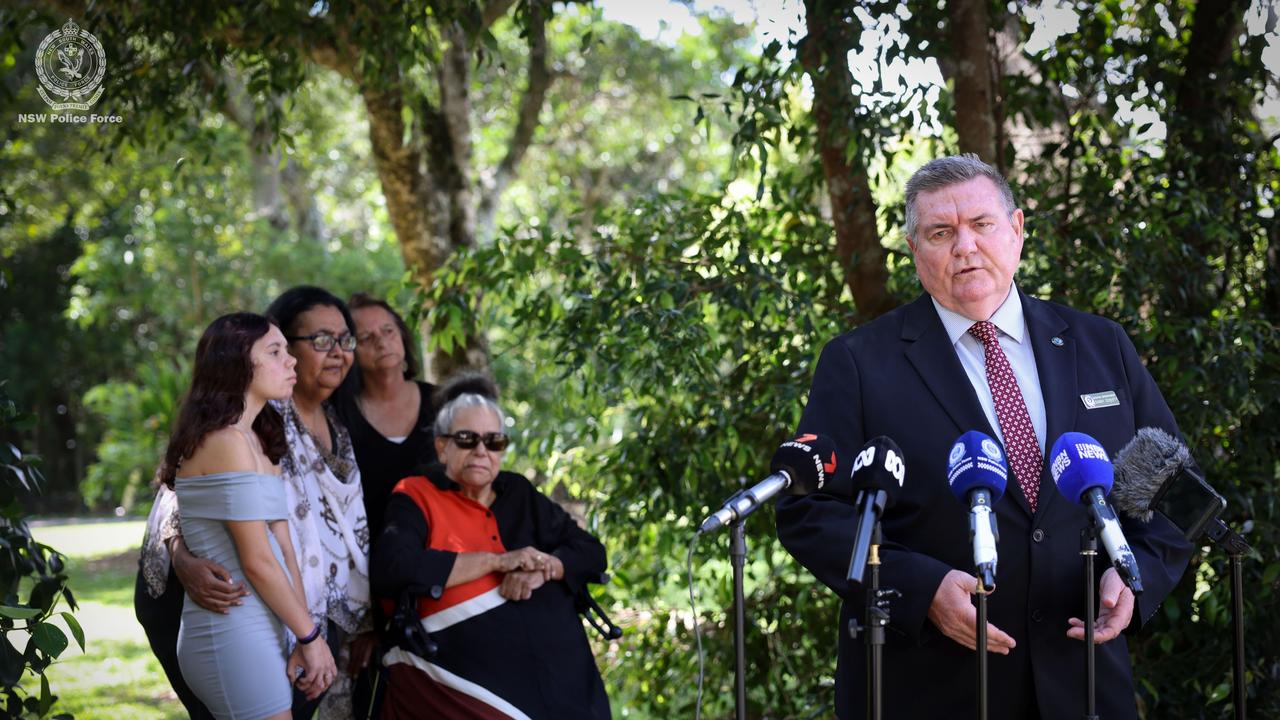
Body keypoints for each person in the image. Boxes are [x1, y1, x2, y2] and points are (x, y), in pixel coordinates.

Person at [775, 155, 1194, 720]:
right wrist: (920, 591)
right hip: (928, 688)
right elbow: (810, 511)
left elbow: (1172, 489)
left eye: (982, 224)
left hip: (1085, 684)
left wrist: (1135, 575)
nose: (964, 246)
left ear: (1017, 229)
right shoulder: (858, 363)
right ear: (914, 248)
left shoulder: (1103, 345)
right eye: (941, 232)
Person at [370, 376, 611, 719]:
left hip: (561, 681)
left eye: (493, 441)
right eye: (467, 439)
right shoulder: (416, 493)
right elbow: (393, 569)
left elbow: (589, 551)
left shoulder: (518, 492)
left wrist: (542, 571)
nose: (481, 451)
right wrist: (496, 562)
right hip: (464, 689)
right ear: (442, 447)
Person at [159, 312, 336, 720]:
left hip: (266, 626)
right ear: (235, 363)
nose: (291, 361)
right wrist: (312, 638)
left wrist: (300, 631)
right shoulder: (225, 442)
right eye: (275, 352)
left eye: (288, 351)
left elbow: (284, 545)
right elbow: (257, 560)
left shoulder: (259, 437)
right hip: (229, 631)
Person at [265, 286, 375, 719]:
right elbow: (187, 488)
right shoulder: (261, 414)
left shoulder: (339, 424)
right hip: (278, 615)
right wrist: (181, 556)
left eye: (345, 341)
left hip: (336, 624)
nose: (338, 353)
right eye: (322, 341)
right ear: (285, 349)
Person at [333, 293, 438, 542]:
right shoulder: (337, 413)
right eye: (366, 338)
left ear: (402, 335)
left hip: (446, 553)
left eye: (388, 331)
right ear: (350, 349)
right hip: (367, 561)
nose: (381, 342)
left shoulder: (442, 402)